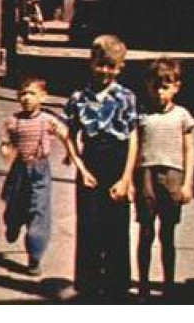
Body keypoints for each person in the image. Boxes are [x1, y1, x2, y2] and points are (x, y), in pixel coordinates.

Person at [64, 34, 138, 298]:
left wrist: (127, 178)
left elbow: (133, 139)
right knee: (90, 226)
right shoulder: (78, 98)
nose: (104, 71)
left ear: (120, 67)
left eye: (111, 66)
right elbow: (70, 136)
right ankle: (89, 286)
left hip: (118, 165)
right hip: (91, 165)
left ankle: (117, 286)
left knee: (117, 227)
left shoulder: (127, 97)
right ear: (91, 63)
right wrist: (81, 170)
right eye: (100, 64)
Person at [135, 57, 194, 298]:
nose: (160, 92)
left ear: (176, 87)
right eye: (155, 86)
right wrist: (130, 180)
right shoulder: (141, 114)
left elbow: (190, 150)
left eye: (166, 86)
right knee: (146, 231)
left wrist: (188, 183)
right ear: (148, 86)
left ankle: (169, 284)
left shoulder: (182, 115)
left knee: (167, 233)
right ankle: (143, 284)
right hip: (146, 173)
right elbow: (135, 147)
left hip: (172, 175)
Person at [0, 77, 67, 277]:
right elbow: (7, 140)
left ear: (43, 97)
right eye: (23, 94)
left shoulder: (48, 120)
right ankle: (12, 224)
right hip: (20, 170)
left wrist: (70, 153)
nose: (27, 98)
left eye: (32, 94)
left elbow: (65, 135)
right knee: (15, 206)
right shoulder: (13, 121)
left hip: (40, 170)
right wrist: (5, 148)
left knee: (39, 210)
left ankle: (35, 255)